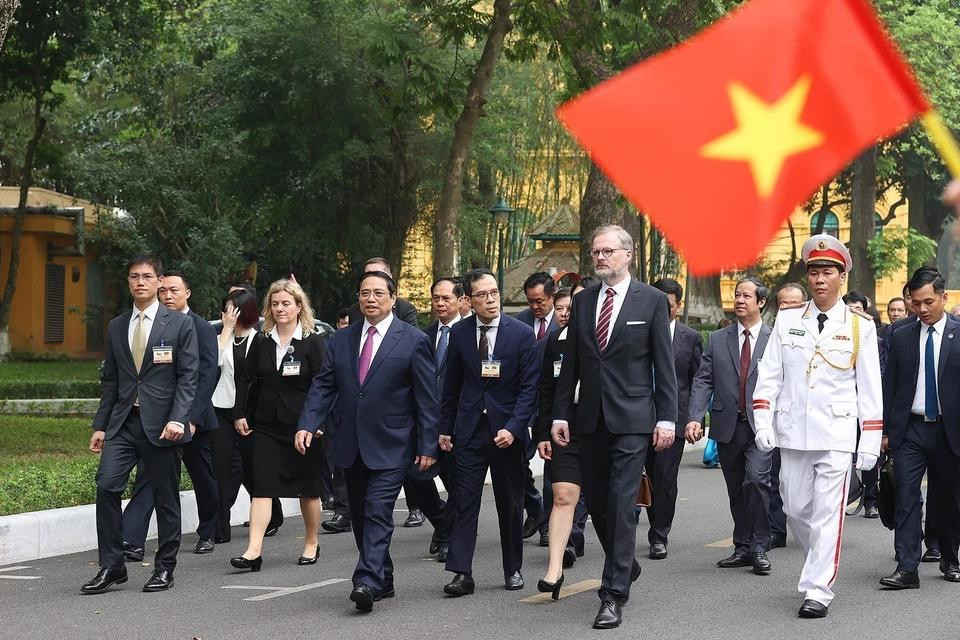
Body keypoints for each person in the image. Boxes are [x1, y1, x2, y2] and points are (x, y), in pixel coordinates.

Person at [552, 225, 678, 630]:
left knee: (623, 501)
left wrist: (666, 417)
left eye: (608, 251)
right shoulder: (584, 301)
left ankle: (611, 595)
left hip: (633, 419)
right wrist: (559, 414)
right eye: (595, 253)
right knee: (601, 504)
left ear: (628, 255)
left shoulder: (653, 301)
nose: (600, 258)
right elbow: (570, 363)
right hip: (588, 419)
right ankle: (626, 564)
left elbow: (664, 365)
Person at [752, 234, 883, 618]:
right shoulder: (789, 320)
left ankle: (818, 588)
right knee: (794, 509)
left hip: (837, 435)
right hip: (793, 432)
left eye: (827, 272)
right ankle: (819, 563)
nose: (820, 279)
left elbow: (869, 388)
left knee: (828, 513)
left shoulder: (861, 327)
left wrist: (870, 441)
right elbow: (770, 375)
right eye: (814, 272)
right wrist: (763, 418)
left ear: (842, 277)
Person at [295, 270, 438, 612]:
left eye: (377, 293)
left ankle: (366, 579)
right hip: (349, 442)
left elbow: (427, 399)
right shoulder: (342, 339)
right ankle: (383, 578)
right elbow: (324, 385)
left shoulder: (413, 339)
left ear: (392, 298)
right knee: (359, 515)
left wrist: (427, 445)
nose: (370, 299)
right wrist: (308, 423)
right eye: (364, 293)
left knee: (377, 510)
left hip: (393, 443)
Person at [82, 255, 199, 595]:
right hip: (122, 424)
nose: (140, 282)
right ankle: (112, 566)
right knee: (106, 485)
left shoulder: (178, 324)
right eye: (134, 277)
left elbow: (188, 377)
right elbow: (111, 381)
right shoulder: (117, 325)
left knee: (165, 498)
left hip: (163, 425)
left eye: (147, 276)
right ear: (128, 282)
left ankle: (165, 568)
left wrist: (179, 418)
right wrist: (100, 425)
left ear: (159, 282)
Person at [440, 269, 540, 597]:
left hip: (507, 433)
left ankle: (512, 568)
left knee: (509, 503)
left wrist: (514, 428)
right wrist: (445, 429)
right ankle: (461, 572)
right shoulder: (460, 333)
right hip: (469, 431)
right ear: (468, 300)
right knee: (463, 501)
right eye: (482, 295)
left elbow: (529, 389)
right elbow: (451, 385)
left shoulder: (522, 334)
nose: (491, 300)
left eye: (494, 292)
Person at [121, 271, 220, 558]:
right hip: (158, 421)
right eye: (163, 290)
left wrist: (191, 418)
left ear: (187, 293)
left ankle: (208, 530)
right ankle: (133, 540)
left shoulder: (200, 327)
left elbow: (205, 376)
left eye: (174, 290)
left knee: (202, 476)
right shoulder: (157, 326)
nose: (167, 295)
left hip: (193, 420)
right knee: (149, 477)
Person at [231, 279, 326, 572]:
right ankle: (253, 551)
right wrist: (240, 413)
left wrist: (317, 422)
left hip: (304, 427)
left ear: (299, 306)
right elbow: (246, 379)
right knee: (262, 487)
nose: (280, 308)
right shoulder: (261, 339)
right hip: (267, 426)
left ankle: (311, 542)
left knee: (308, 490)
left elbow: (323, 385)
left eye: (286, 303)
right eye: (275, 304)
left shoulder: (312, 341)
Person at [686, 277, 774, 576]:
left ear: (760, 302)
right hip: (727, 425)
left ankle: (761, 546)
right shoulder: (719, 338)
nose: (739, 300)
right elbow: (703, 379)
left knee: (757, 481)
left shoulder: (774, 340)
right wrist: (696, 416)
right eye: (737, 295)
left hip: (761, 427)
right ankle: (743, 546)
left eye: (746, 296)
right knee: (736, 488)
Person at [879, 267, 960, 589]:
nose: (922, 309)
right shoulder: (899, 334)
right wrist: (885, 431)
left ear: (944, 297)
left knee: (948, 498)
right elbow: (891, 385)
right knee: (906, 496)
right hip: (909, 430)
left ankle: (950, 559)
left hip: (949, 431)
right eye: (916, 303)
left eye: (928, 302)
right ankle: (907, 567)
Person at [534, 283, 591, 598]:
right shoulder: (554, 342)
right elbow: (546, 390)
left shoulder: (606, 339)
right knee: (562, 496)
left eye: (574, 308)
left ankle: (621, 564)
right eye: (563, 308)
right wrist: (542, 432)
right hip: (564, 429)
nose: (567, 314)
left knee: (605, 504)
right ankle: (554, 569)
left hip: (602, 428)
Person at [404, 277, 464, 563]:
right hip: (426, 423)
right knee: (416, 476)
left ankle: (450, 537)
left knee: (458, 485)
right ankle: (443, 525)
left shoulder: (468, 334)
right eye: (436, 299)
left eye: (446, 299)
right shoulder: (422, 337)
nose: (440, 303)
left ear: (460, 301)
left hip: (459, 424)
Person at [644, 278, 702, 560]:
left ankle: (659, 535)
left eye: (666, 305)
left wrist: (695, 418)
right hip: (638, 420)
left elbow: (697, 382)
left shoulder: (689, 338)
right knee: (638, 479)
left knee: (665, 479)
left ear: (677, 307)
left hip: (674, 421)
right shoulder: (636, 332)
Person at [209, 287, 271, 544]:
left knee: (251, 470)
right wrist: (225, 329)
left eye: (234, 309)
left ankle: (272, 515)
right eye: (226, 309)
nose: (228, 314)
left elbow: (255, 382)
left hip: (249, 415)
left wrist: (243, 413)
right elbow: (216, 362)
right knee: (221, 468)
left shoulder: (260, 340)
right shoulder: (220, 336)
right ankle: (219, 528)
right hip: (221, 409)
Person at [517, 271, 559, 544]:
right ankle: (534, 507)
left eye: (540, 300)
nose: (535, 306)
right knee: (516, 465)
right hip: (522, 404)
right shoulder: (518, 322)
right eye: (531, 301)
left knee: (551, 468)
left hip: (551, 405)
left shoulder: (566, 322)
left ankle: (547, 526)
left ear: (552, 296)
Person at [345, 257, 419, 327]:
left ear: (390, 277)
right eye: (368, 275)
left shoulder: (404, 309)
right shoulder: (354, 311)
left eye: (378, 274)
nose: (373, 278)